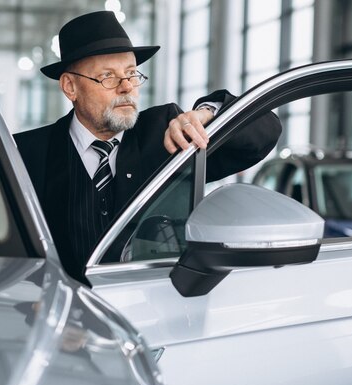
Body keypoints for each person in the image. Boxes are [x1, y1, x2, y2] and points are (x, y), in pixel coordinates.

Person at [14, 11, 281, 285]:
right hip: (65, 315)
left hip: (157, 311)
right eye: (108, 77)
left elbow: (264, 131)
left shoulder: (167, 132)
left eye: (131, 73)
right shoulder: (25, 153)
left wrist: (208, 116)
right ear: (70, 87)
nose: (127, 87)